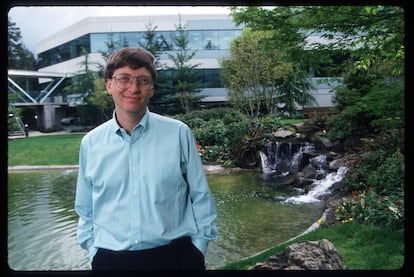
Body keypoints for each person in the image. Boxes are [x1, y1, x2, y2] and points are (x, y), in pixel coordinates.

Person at [74, 47, 218, 271]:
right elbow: (85, 209)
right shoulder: (90, 143)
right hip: (111, 261)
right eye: (124, 79)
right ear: (109, 85)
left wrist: (198, 249)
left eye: (143, 80)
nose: (133, 88)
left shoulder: (179, 134)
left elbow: (200, 196)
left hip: (176, 258)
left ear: (152, 88)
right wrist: (94, 252)